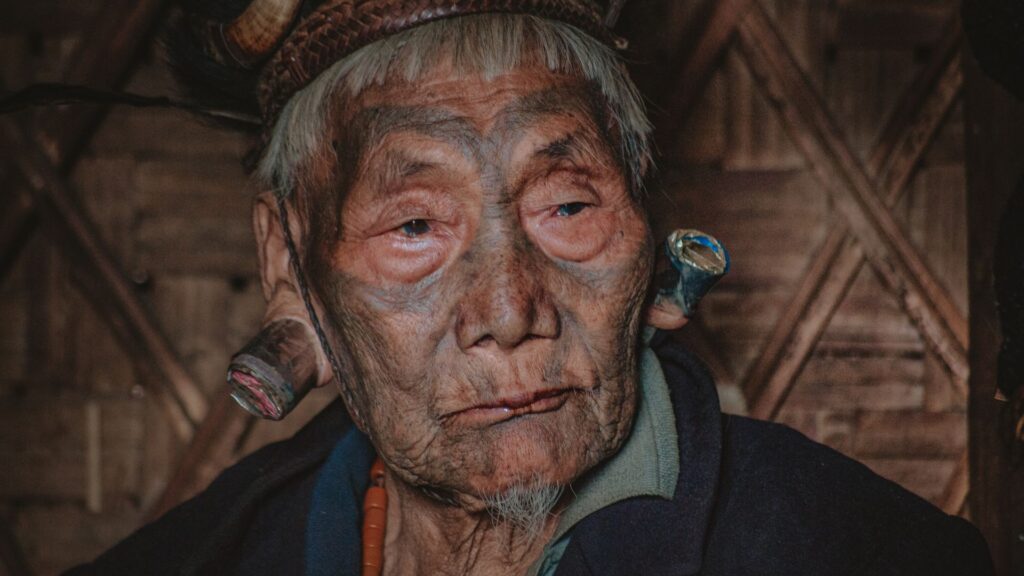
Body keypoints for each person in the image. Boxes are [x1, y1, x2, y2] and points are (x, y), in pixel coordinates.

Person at [68, 1, 994, 574]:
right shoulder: (213, 555)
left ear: (641, 217)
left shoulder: (846, 550)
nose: (511, 312)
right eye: (417, 226)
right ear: (287, 260)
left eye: (566, 206)